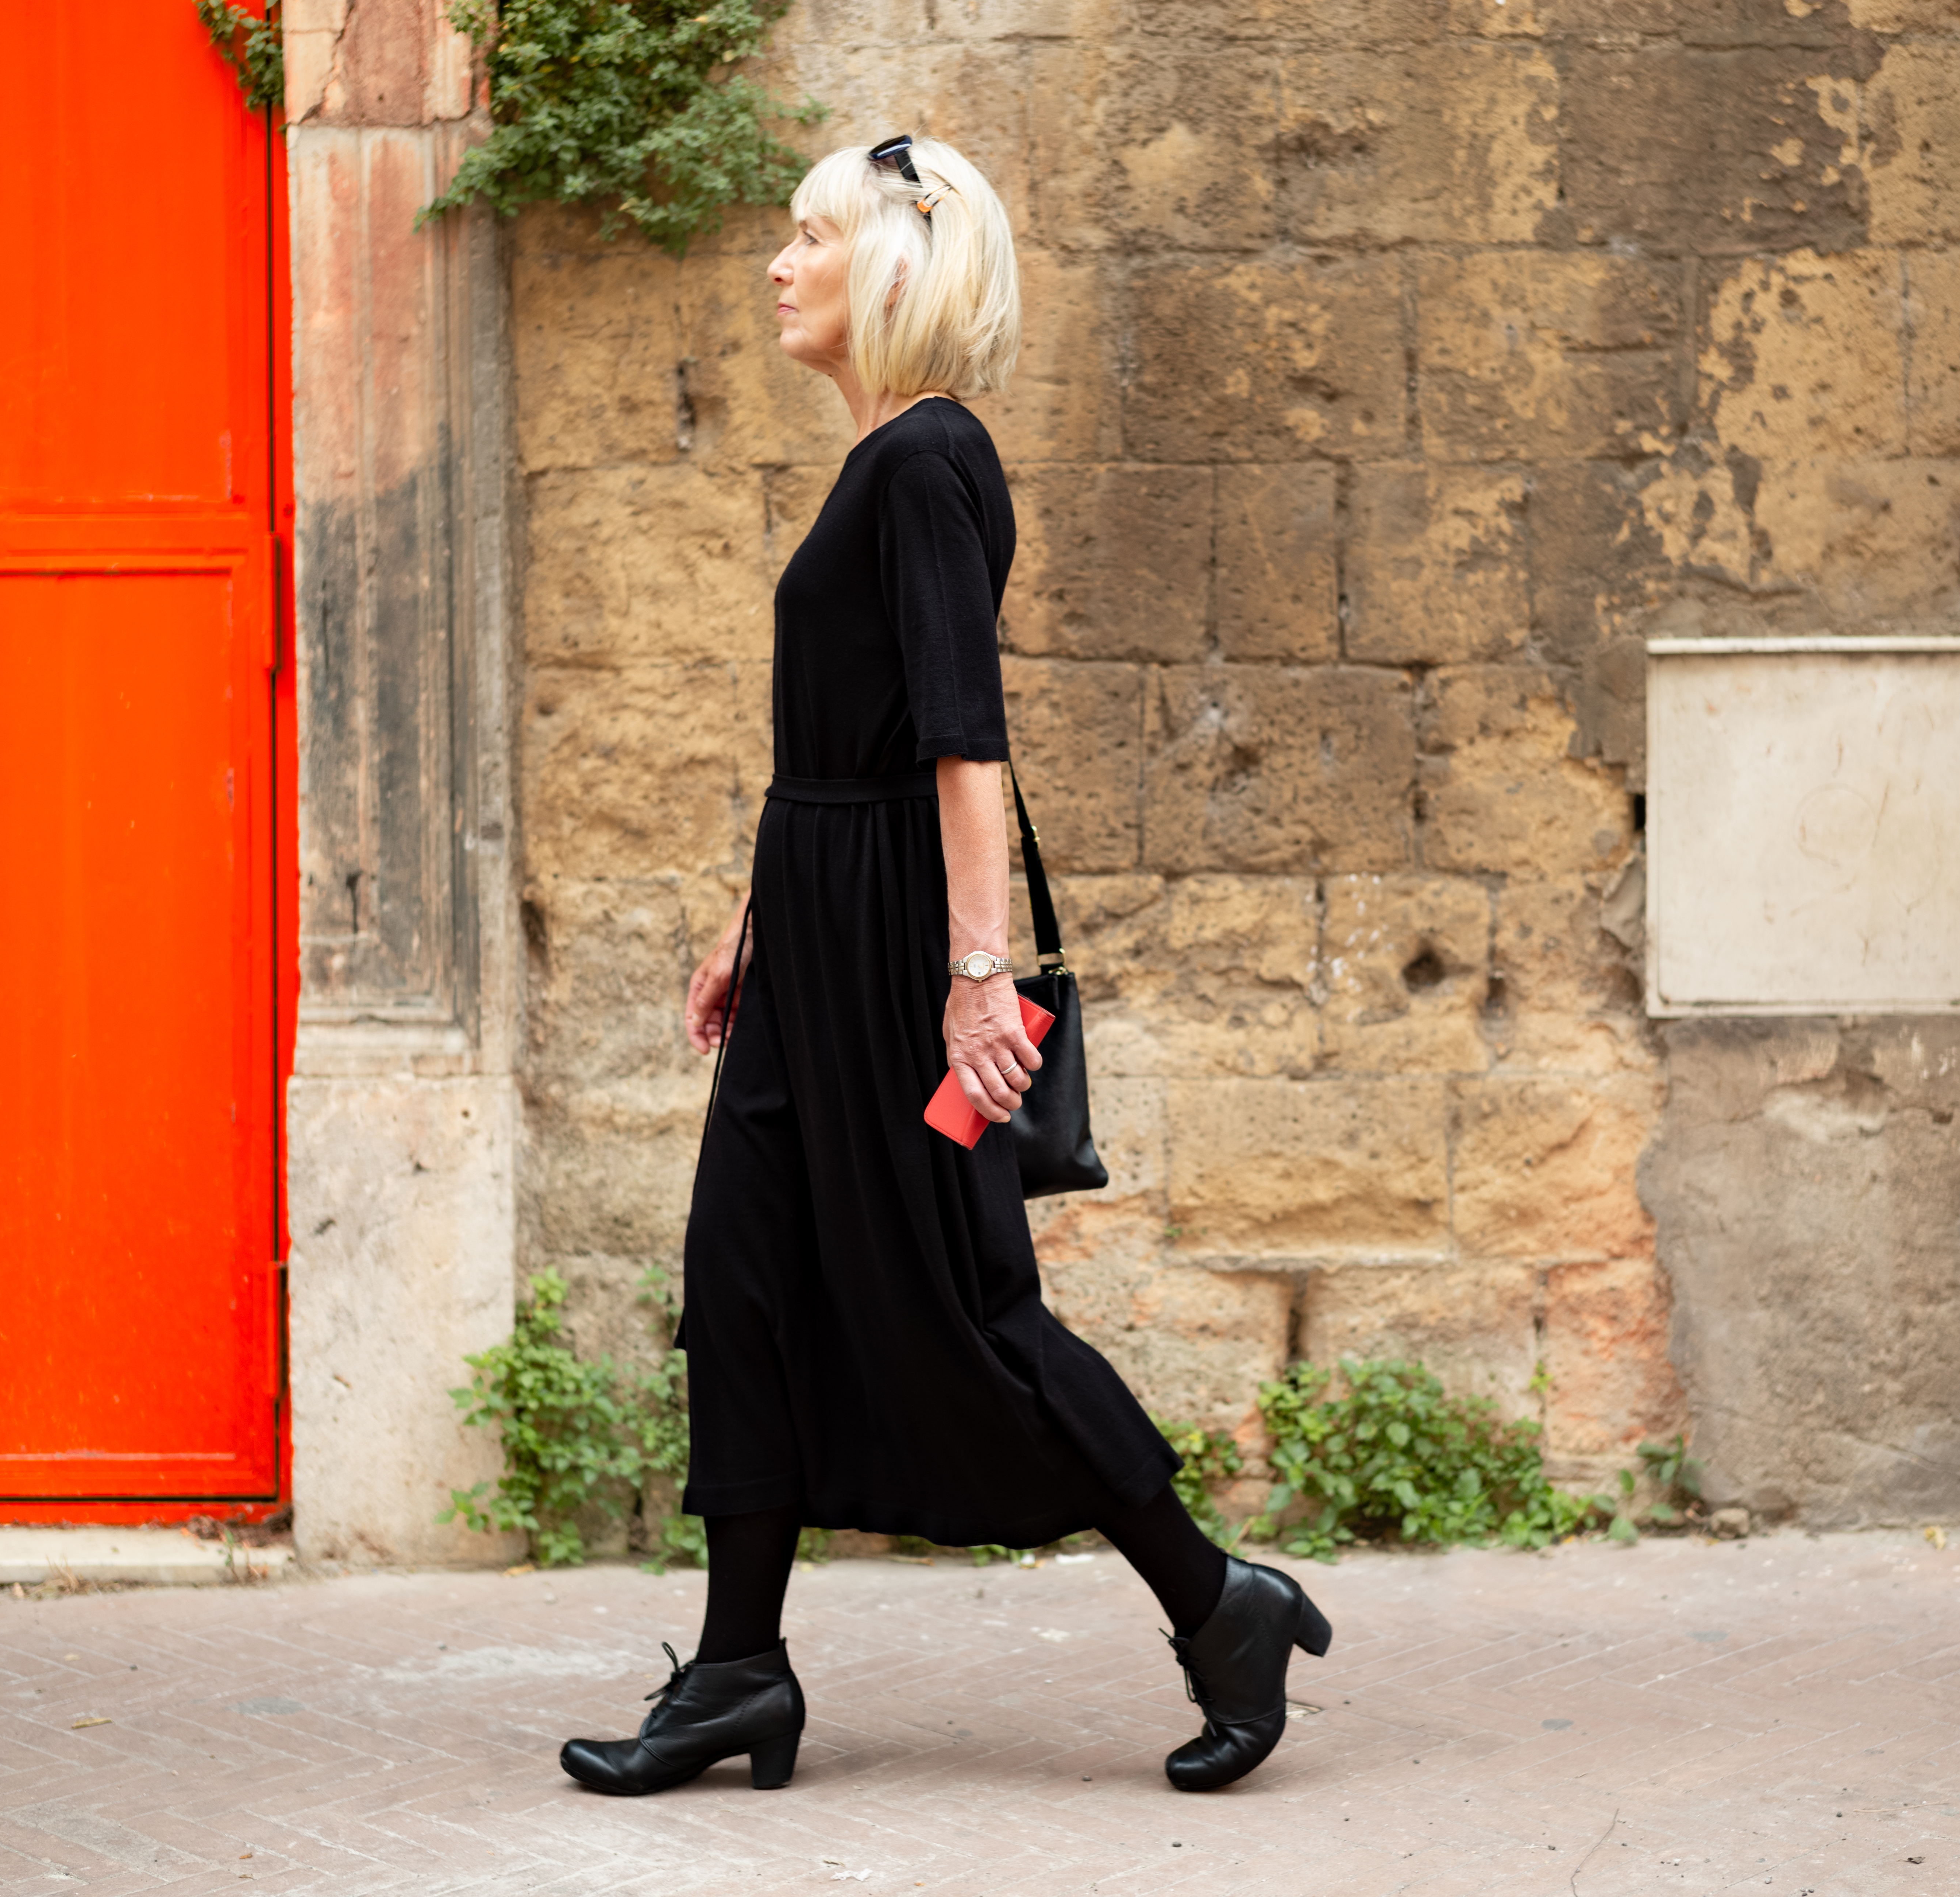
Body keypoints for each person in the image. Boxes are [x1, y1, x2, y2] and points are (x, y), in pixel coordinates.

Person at [555, 134, 1331, 1799]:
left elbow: (962, 745)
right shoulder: (881, 464)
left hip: (904, 947)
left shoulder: (925, 464)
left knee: (965, 1314)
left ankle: (1221, 1604)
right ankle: (741, 1669)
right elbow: (849, 741)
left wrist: (980, 978)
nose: (779, 261)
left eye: (812, 234)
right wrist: (752, 923)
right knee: (744, 1280)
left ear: (893, 267)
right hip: (814, 938)